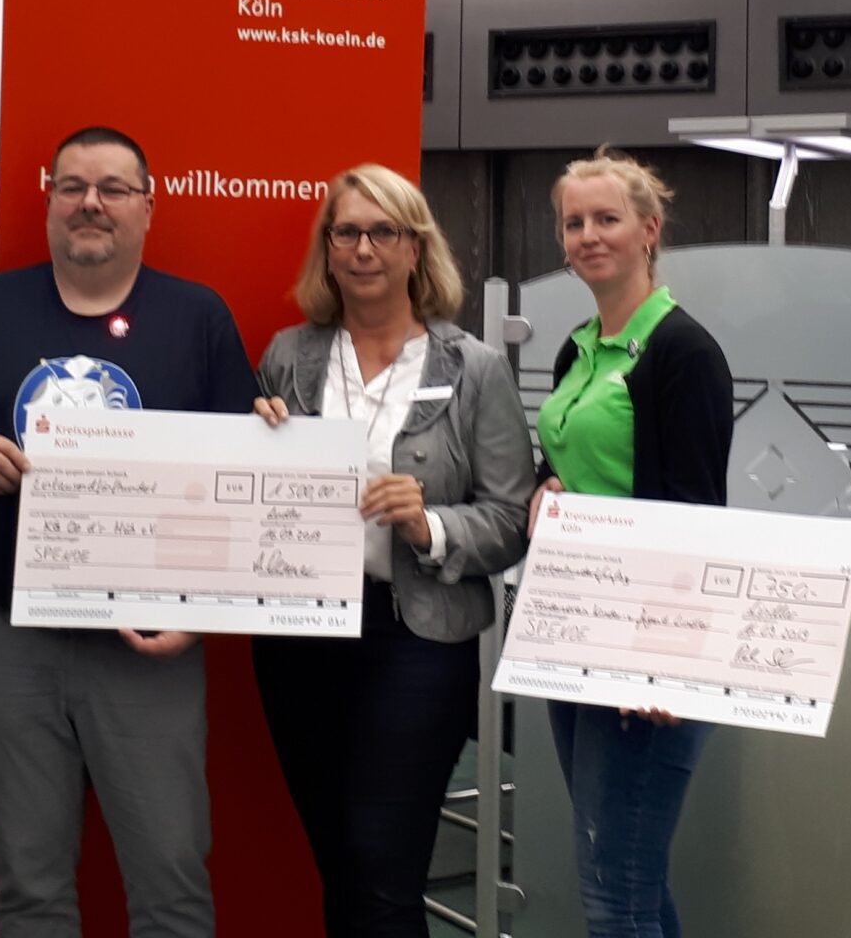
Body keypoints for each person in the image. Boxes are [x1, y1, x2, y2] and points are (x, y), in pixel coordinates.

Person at [0, 126, 258, 938]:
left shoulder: (197, 317)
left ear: (148, 207)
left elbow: (238, 481)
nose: (90, 203)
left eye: (112, 188)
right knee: (27, 887)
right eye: (71, 186)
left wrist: (201, 614)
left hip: (146, 644)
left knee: (171, 881)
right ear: (48, 201)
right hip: (14, 644)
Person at [249, 164, 534, 938]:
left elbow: (512, 519)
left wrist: (429, 526)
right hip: (300, 636)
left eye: (384, 232)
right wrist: (259, 443)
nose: (364, 248)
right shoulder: (287, 357)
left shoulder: (472, 367)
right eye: (346, 232)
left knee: (383, 870)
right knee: (340, 862)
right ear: (328, 248)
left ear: (416, 248)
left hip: (418, 639)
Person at [529, 147, 734, 938]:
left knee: (614, 894)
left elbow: (695, 515)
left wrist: (664, 657)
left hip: (645, 640)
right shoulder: (577, 347)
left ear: (649, 230)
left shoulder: (684, 353)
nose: (587, 236)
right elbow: (571, 461)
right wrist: (544, 487)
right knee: (628, 882)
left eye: (606, 219)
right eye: (573, 222)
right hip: (577, 624)